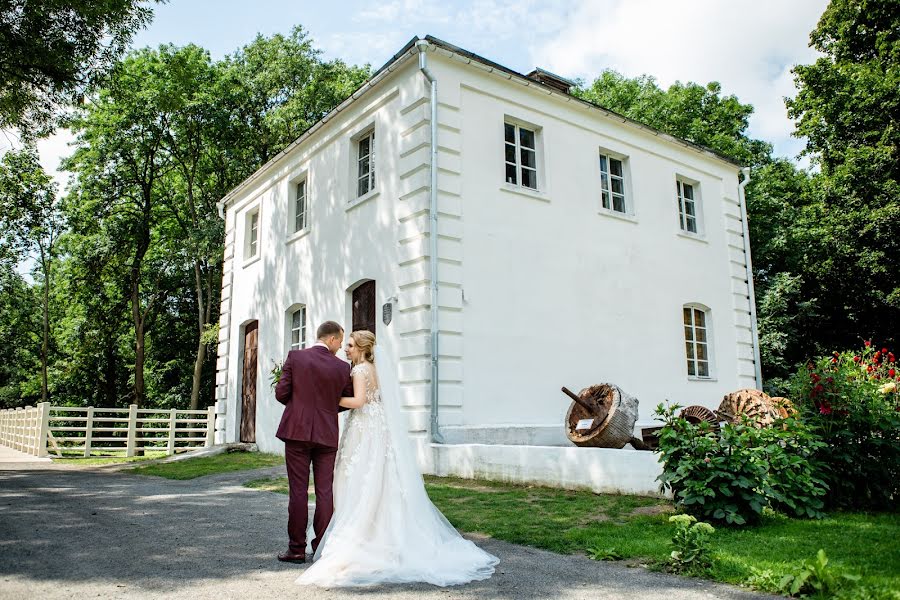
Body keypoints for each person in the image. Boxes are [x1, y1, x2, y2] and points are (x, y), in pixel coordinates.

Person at [296, 330, 499, 587]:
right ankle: (377, 529)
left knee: (355, 477)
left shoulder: (359, 370)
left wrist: (326, 399)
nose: (345, 349)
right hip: (377, 427)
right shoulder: (375, 368)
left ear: (360, 347)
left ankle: (361, 533)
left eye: (349, 345)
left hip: (364, 428)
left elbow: (359, 401)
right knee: (378, 476)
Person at [273, 320, 353, 564]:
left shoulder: (295, 358)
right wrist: (326, 408)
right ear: (330, 339)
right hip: (327, 435)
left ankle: (296, 549)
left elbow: (281, 393)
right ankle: (322, 548)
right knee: (324, 491)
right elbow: (345, 399)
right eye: (340, 340)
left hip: (296, 432)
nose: (341, 346)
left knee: (298, 491)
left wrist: (300, 406)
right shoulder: (341, 368)